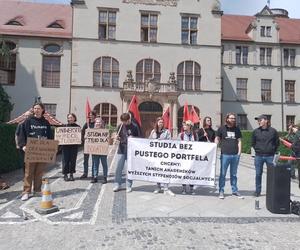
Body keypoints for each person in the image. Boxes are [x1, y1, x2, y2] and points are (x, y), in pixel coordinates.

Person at [18, 102, 52, 201]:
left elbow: (50, 136)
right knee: (28, 172)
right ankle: (26, 192)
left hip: (42, 151)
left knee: (39, 172)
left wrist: (51, 148)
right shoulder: (28, 121)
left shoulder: (46, 122)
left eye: (38, 108)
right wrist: (23, 145)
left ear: (42, 110)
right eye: (35, 108)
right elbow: (21, 134)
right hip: (31, 150)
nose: (36, 110)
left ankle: (37, 190)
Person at [215, 113, 243, 199]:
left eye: (234, 118)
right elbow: (217, 139)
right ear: (227, 119)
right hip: (225, 155)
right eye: (231, 118)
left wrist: (239, 153)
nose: (233, 120)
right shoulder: (221, 128)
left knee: (234, 174)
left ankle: (234, 190)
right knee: (223, 174)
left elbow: (239, 141)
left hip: (235, 155)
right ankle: (221, 191)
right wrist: (214, 147)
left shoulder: (237, 129)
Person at [252, 115, 279, 197]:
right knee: (258, 174)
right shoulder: (255, 131)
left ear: (266, 121)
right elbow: (253, 143)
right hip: (258, 156)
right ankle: (257, 191)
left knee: (272, 174)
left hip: (270, 156)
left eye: (260, 120)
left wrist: (271, 150)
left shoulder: (273, 131)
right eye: (258, 120)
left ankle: (271, 191)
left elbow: (277, 143)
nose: (259, 121)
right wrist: (258, 150)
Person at [113, 113, 139, 192]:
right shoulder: (120, 126)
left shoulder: (134, 126)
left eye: (125, 121)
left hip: (130, 150)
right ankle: (117, 184)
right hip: (121, 148)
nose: (124, 123)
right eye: (123, 121)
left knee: (129, 168)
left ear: (129, 119)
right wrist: (117, 137)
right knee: (118, 168)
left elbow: (140, 137)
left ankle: (129, 185)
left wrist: (133, 137)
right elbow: (118, 137)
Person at [149, 117, 175, 196]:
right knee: (157, 171)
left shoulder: (167, 132)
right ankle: (158, 186)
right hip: (156, 155)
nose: (161, 123)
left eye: (162, 122)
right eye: (160, 122)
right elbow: (149, 141)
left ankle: (166, 188)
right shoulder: (153, 132)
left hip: (164, 155)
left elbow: (170, 141)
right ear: (157, 123)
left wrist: (162, 141)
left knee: (165, 171)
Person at [178, 120, 197, 195]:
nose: (184, 126)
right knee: (184, 173)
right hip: (184, 157)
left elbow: (198, 144)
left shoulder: (194, 135)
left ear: (190, 126)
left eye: (185, 125)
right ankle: (184, 188)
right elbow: (177, 145)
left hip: (192, 157)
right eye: (183, 125)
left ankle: (192, 188)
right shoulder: (181, 135)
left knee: (192, 173)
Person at [62, 113, 80, 182]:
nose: (70, 119)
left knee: (73, 160)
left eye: (71, 117)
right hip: (65, 146)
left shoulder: (78, 127)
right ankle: (65, 174)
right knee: (65, 161)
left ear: (74, 118)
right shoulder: (64, 126)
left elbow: (79, 136)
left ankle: (71, 174)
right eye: (69, 117)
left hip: (74, 146)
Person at [91, 117, 108, 184]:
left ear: (102, 123)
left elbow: (107, 140)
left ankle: (105, 177)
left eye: (99, 122)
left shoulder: (105, 131)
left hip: (103, 150)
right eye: (97, 122)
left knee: (104, 164)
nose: (98, 123)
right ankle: (95, 177)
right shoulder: (91, 131)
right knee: (95, 164)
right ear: (95, 123)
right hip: (95, 150)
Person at [80, 110, 96, 179]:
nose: (90, 116)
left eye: (92, 115)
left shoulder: (96, 124)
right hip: (86, 145)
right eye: (90, 115)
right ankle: (85, 173)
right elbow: (82, 132)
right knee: (85, 160)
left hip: (94, 145)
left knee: (94, 160)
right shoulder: (87, 124)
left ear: (94, 116)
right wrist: (83, 139)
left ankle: (93, 174)